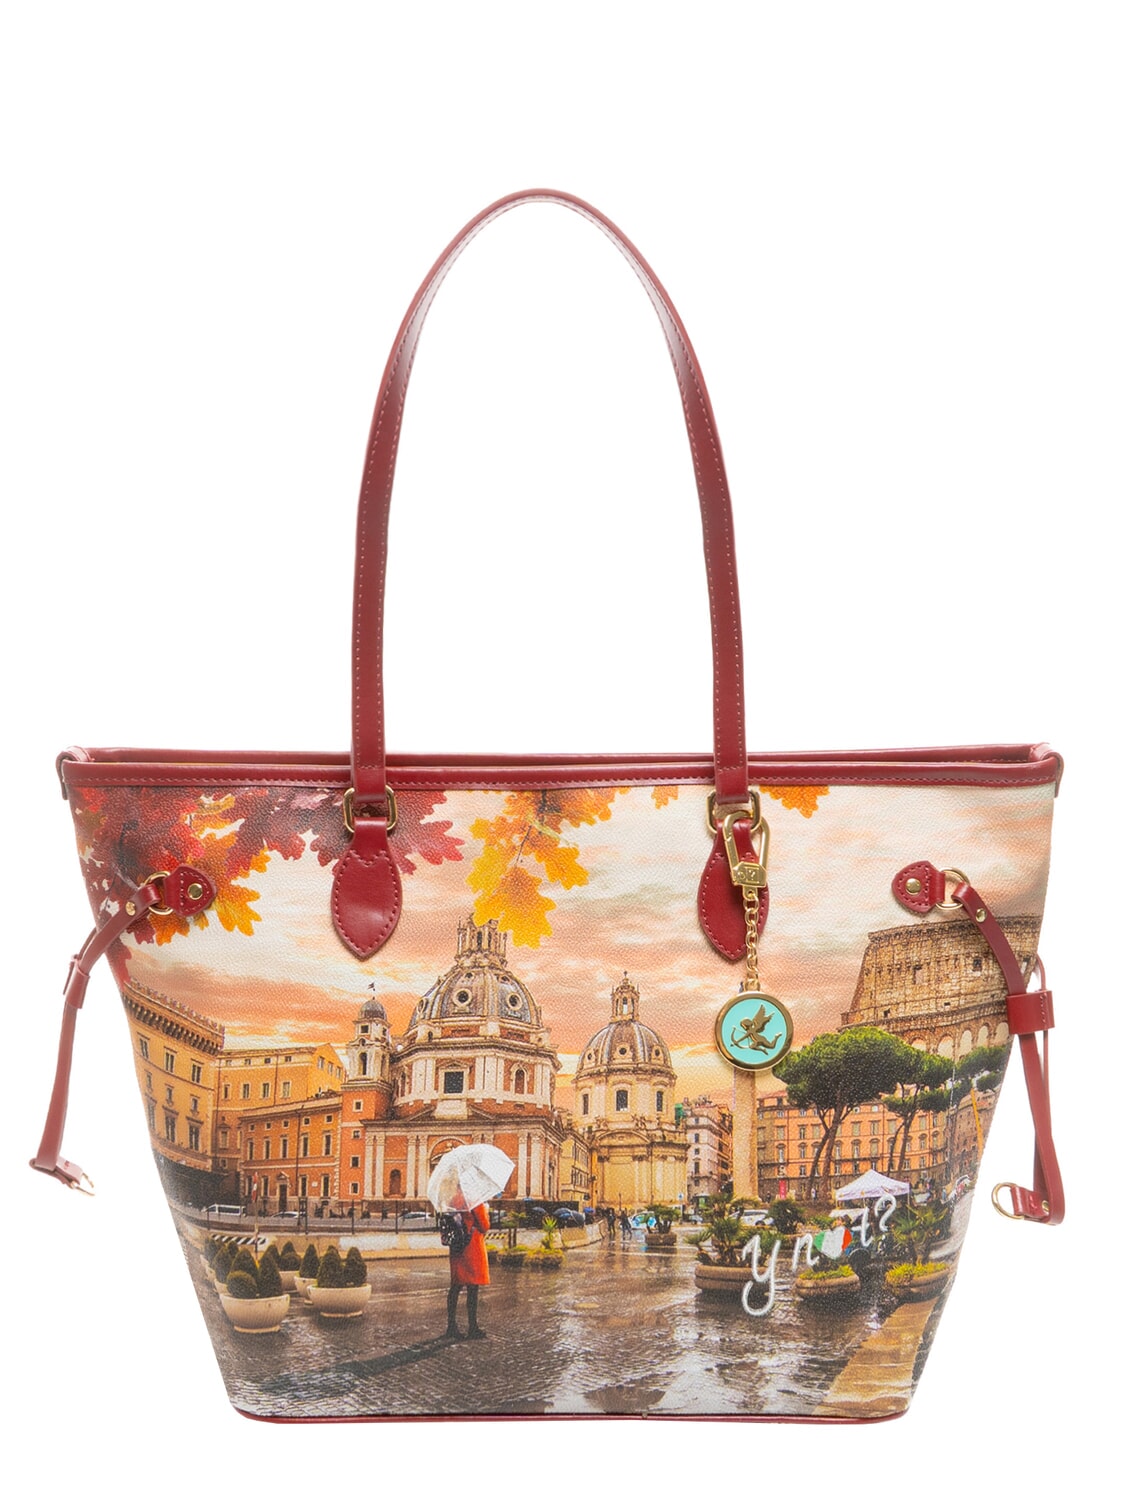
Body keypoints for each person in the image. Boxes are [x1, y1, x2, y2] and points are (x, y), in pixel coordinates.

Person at [445, 1201, 489, 1340]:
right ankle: (472, 1327)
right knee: (472, 1288)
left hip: (457, 1246)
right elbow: (485, 1225)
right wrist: (486, 1212)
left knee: (455, 1287)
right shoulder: (474, 1201)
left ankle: (451, 1326)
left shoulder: (453, 1200)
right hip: (471, 1246)